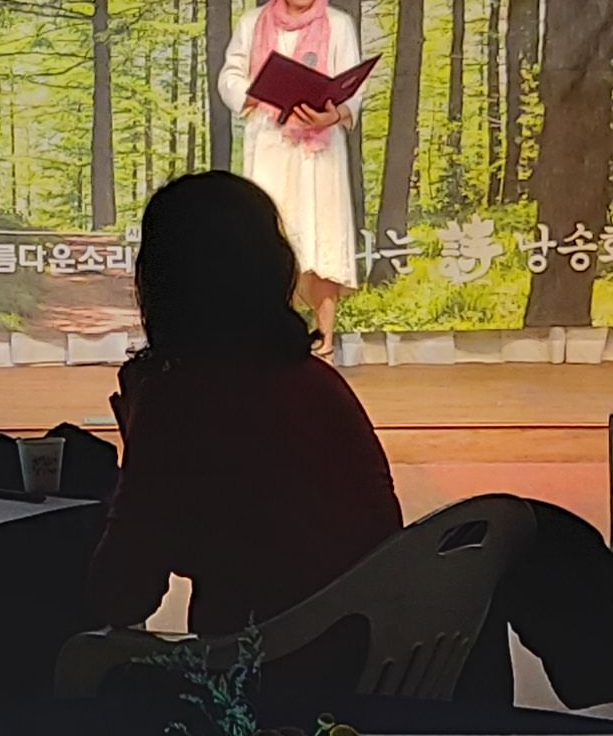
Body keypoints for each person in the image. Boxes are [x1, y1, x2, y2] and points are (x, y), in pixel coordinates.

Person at [86, 173, 404, 633]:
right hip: (374, 649)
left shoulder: (181, 399)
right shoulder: (319, 382)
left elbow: (119, 595)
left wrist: (142, 434)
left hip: (261, 665)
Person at [217, 0, 367, 337]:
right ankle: (271, 336)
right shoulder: (253, 23)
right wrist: (254, 94)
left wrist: (333, 115)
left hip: (319, 149)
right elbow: (230, 75)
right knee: (270, 234)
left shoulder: (338, 24)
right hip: (270, 142)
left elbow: (353, 87)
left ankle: (325, 339)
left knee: (322, 235)